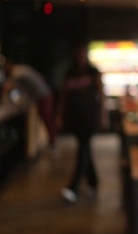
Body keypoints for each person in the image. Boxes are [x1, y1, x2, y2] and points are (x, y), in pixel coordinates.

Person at [55, 43, 105, 203]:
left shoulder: (93, 72)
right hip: (75, 117)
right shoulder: (70, 72)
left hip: (90, 116)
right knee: (85, 147)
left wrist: (104, 115)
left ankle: (73, 188)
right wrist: (59, 115)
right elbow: (64, 96)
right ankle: (93, 181)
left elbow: (101, 94)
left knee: (83, 148)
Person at [2, 58, 57, 148]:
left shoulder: (16, 73)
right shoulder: (21, 69)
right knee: (46, 119)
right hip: (45, 94)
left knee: (47, 120)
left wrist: (4, 97)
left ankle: (53, 144)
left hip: (44, 96)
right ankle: (52, 142)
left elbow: (8, 88)